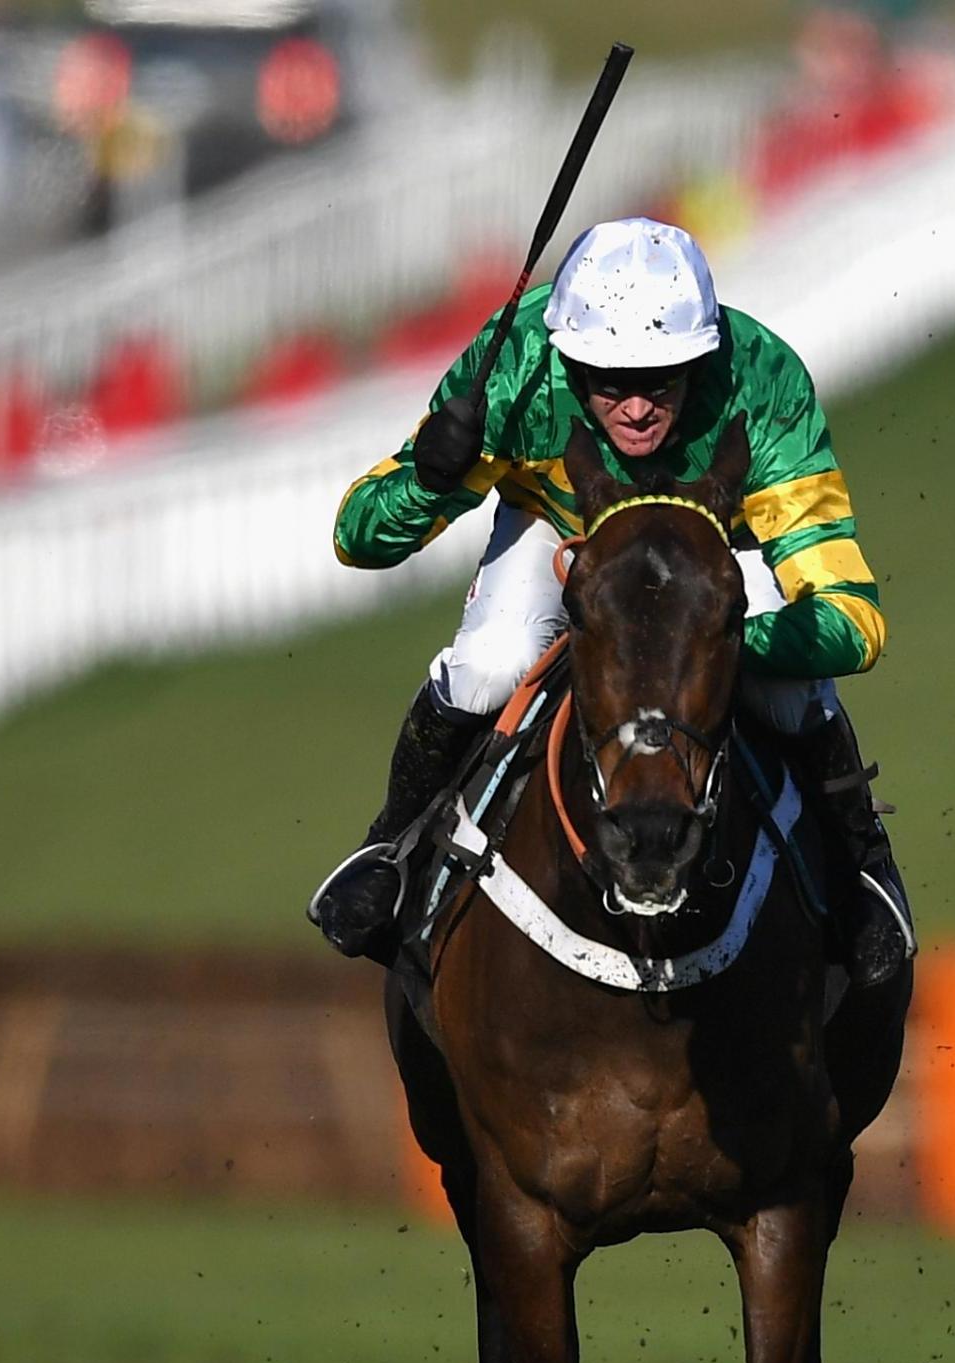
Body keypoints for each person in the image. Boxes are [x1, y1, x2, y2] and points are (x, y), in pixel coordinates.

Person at [309, 217, 913, 986]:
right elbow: (358, 540)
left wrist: (714, 641)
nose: (635, 408)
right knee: (493, 665)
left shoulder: (762, 381)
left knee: (791, 692)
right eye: (607, 380)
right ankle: (388, 850)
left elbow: (854, 619)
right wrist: (424, 482)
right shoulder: (516, 366)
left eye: (660, 380)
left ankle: (865, 872)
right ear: (568, 358)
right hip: (560, 531)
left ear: (701, 357)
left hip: (712, 552)